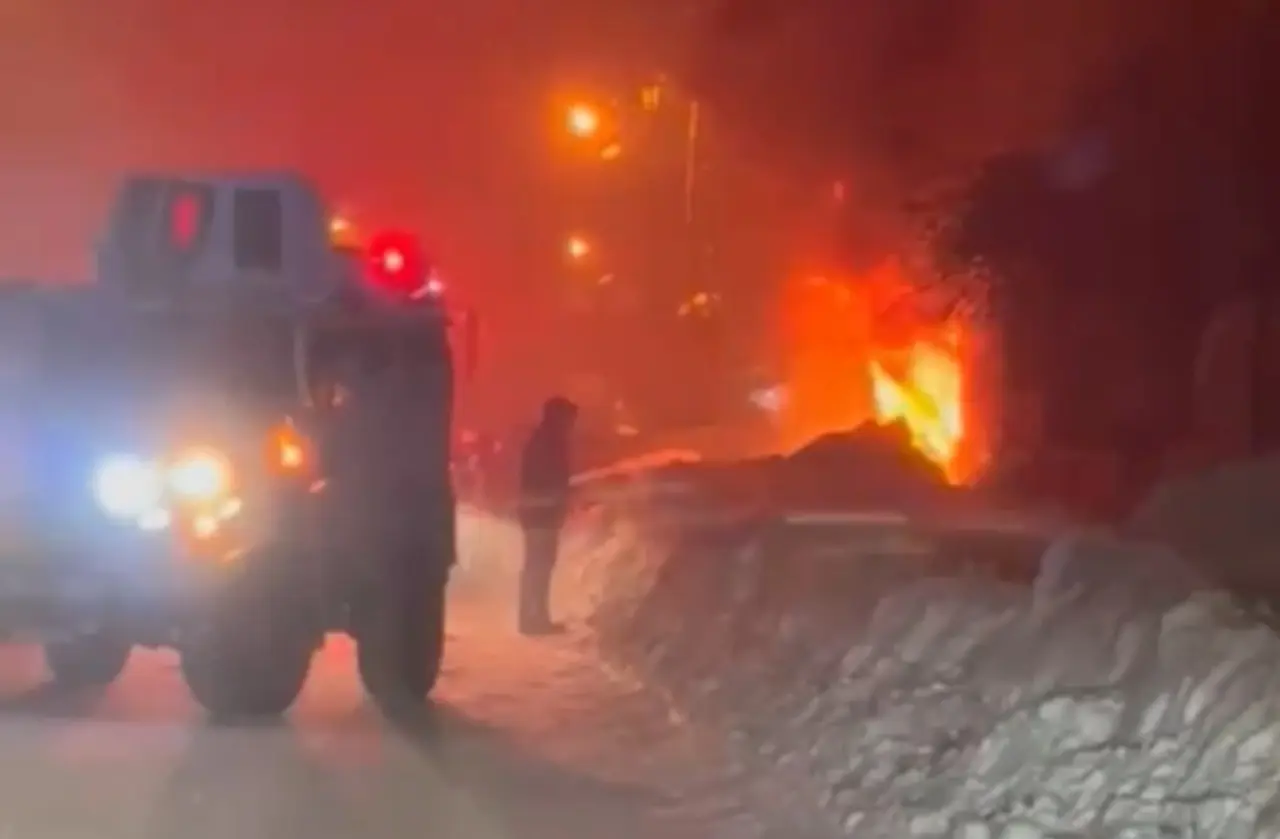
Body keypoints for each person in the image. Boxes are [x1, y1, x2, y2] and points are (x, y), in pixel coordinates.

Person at [517, 396, 578, 635]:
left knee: (537, 566)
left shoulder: (542, 441)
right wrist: (559, 499)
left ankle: (532, 617)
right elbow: (548, 480)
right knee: (539, 566)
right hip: (542, 514)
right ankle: (534, 618)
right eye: (569, 419)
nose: (572, 425)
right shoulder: (549, 444)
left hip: (537, 513)